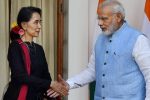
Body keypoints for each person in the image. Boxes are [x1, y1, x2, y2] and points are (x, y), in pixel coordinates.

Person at [51, 0, 150, 100]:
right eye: (99, 18)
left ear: (118, 17)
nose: (99, 23)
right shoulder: (100, 39)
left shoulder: (138, 39)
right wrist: (69, 84)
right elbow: (92, 71)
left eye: (104, 19)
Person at [3, 6, 68, 100]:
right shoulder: (15, 46)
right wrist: (50, 84)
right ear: (24, 25)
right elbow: (20, 76)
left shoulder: (39, 49)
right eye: (36, 22)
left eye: (40, 22)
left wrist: (55, 89)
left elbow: (46, 77)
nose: (39, 26)